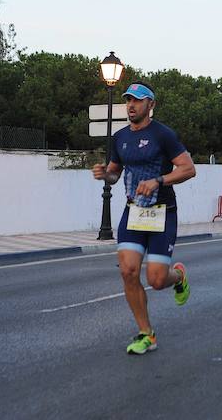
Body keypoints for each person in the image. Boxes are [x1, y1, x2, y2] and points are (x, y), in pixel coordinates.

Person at [91, 82, 196, 356]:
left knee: (158, 280)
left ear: (151, 105)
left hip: (162, 212)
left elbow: (188, 169)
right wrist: (105, 175)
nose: (131, 105)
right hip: (134, 211)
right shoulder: (120, 137)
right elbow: (115, 173)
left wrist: (158, 180)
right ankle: (146, 334)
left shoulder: (163, 135)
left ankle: (179, 277)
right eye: (128, 100)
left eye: (137, 101)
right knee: (127, 271)